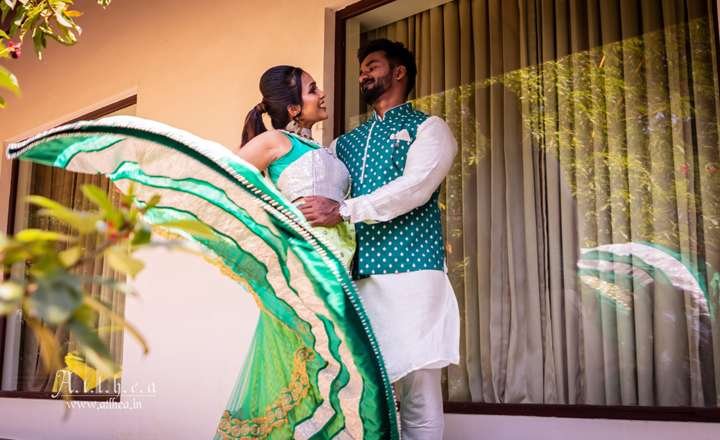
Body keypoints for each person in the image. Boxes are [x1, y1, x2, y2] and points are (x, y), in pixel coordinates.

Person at [299, 39, 460, 440]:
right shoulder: (343, 144)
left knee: (419, 392)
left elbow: (416, 187)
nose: (362, 75)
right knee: (364, 391)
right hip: (357, 280)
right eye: (361, 69)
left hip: (412, 273)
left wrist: (345, 210)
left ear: (398, 72)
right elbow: (317, 191)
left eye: (372, 65)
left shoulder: (428, 128)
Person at [234, 65, 355, 267]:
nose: (322, 94)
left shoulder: (322, 149)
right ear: (293, 109)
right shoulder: (276, 140)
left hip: (340, 258)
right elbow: (223, 177)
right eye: (313, 90)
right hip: (304, 257)